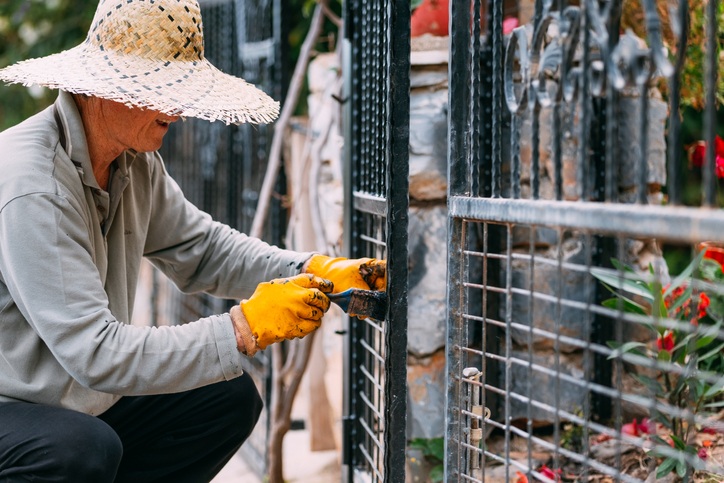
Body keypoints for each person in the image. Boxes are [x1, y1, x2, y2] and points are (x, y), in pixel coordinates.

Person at [0, 0, 386, 481]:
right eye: (162, 90)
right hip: (13, 407)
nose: (178, 111)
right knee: (79, 449)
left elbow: (203, 249)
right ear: (103, 88)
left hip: (72, 397)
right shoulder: (34, 184)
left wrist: (311, 269)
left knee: (227, 397)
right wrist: (241, 328)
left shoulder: (132, 160)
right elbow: (96, 354)